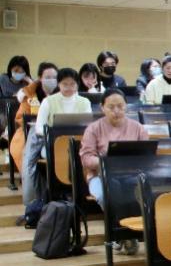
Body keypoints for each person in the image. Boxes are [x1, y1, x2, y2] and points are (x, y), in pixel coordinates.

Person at [25, 67, 91, 206]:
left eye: (72, 84)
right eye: (65, 84)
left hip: (78, 144)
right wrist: (53, 133)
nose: (69, 87)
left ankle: (80, 192)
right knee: (57, 155)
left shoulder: (85, 102)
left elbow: (89, 127)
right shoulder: (48, 101)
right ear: (58, 84)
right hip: (52, 144)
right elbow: (39, 127)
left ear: (77, 84)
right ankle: (58, 192)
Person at [79, 89, 148, 208]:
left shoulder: (138, 128)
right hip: (100, 176)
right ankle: (113, 220)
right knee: (105, 196)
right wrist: (106, 162)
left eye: (120, 106)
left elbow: (146, 155)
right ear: (102, 108)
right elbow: (86, 158)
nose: (116, 111)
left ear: (126, 106)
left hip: (131, 175)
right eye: (111, 107)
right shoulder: (93, 129)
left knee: (146, 194)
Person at [9, 62, 56, 180]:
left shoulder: (62, 94)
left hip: (55, 131)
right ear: (40, 78)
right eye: (48, 77)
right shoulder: (30, 95)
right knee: (21, 148)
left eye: (54, 77)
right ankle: (32, 180)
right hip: (31, 131)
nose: (51, 80)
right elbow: (20, 117)